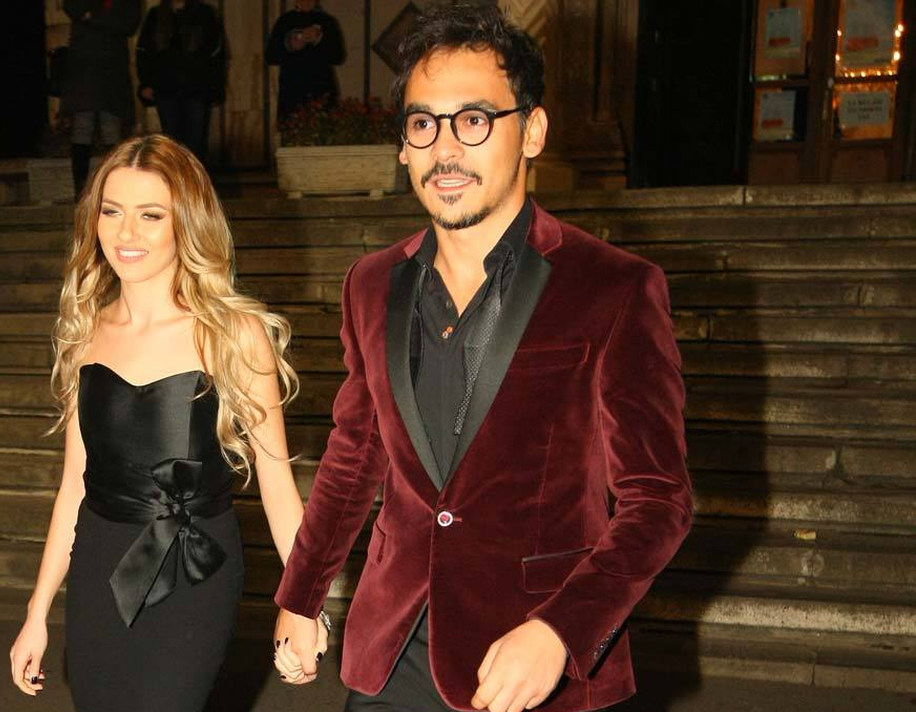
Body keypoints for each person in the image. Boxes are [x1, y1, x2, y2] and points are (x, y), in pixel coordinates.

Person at [271, 5, 693, 712]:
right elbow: (354, 455)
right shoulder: (371, 284)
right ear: (403, 146)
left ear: (532, 131)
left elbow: (659, 500)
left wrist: (561, 630)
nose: (445, 150)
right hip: (392, 653)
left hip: (535, 664)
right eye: (423, 124)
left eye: (473, 120)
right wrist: (300, 595)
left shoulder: (614, 288)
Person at [7, 134, 324, 711]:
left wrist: (303, 604)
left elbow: (279, 487)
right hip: (99, 563)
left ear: (186, 223)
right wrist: (36, 612)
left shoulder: (232, 333)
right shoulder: (86, 332)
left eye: (151, 215)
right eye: (111, 212)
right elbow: (73, 485)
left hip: (194, 570)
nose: (126, 233)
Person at [59, 0, 142, 197]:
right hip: (84, 69)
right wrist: (105, 18)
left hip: (112, 70)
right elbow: (73, 7)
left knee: (111, 128)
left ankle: (114, 188)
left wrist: (92, 17)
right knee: (83, 127)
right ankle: (81, 190)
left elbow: (129, 23)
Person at [135, 0, 226, 165]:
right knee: (171, 145)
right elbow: (144, 52)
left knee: (195, 146)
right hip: (166, 90)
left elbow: (216, 56)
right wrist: (146, 83)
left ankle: (194, 180)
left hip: (197, 90)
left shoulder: (205, 14)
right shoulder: (156, 15)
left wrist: (215, 88)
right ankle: (176, 180)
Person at [266, 0, 345, 121]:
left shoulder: (327, 21)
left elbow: (338, 57)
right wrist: (290, 44)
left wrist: (319, 39)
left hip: (322, 92)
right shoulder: (284, 21)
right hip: (292, 94)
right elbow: (271, 57)